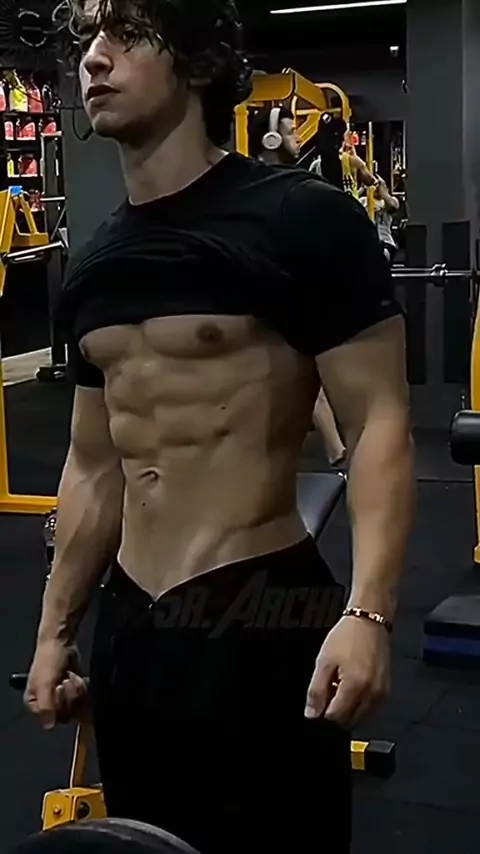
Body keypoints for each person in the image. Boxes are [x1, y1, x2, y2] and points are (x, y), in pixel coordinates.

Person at [25, 2, 415, 853]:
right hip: (133, 620)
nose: (94, 60)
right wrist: (56, 630)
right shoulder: (93, 266)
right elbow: (92, 464)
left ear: (199, 61)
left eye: (126, 35)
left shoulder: (304, 220)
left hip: (259, 607)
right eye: (87, 40)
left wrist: (370, 612)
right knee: (151, 840)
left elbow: (379, 423)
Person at [252, 105, 347, 466]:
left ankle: (334, 449)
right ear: (270, 138)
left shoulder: (293, 185)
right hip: (264, 297)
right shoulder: (252, 187)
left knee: (304, 374)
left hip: (290, 290)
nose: (296, 139)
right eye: (290, 132)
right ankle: (335, 450)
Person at [361, 176, 400, 266]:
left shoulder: (389, 201)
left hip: (385, 241)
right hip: (367, 241)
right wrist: (363, 189)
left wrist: (383, 190)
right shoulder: (363, 201)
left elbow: (393, 206)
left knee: (382, 257)